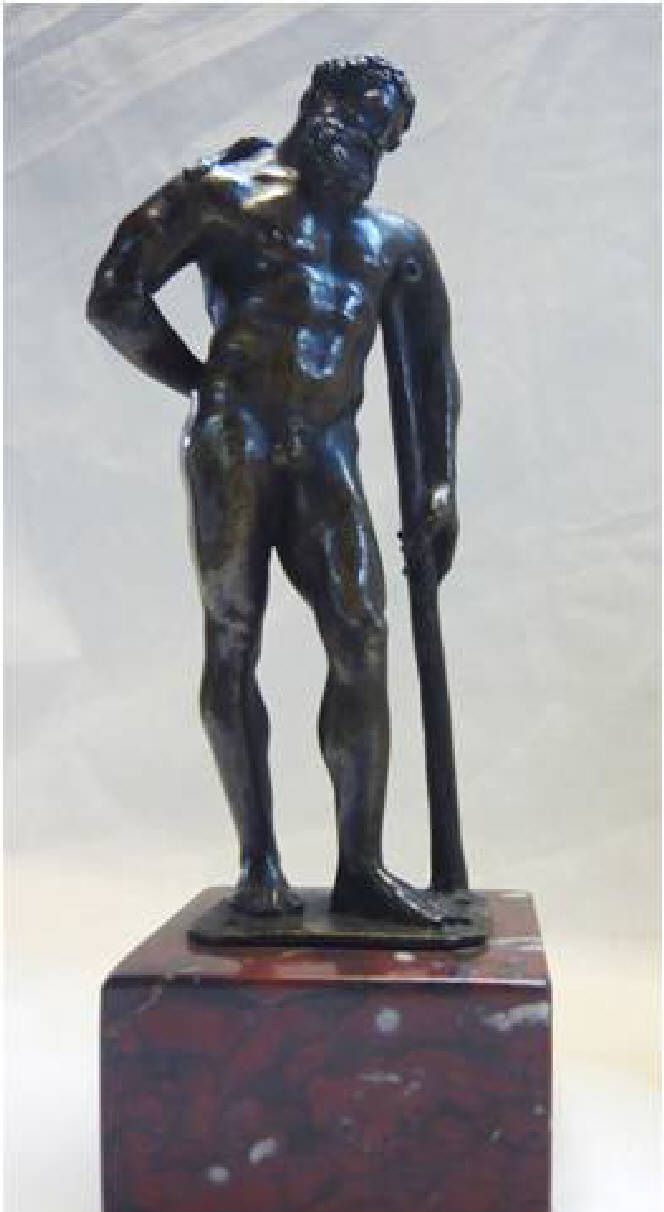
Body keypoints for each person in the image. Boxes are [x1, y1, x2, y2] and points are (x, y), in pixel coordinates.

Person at [87, 56, 461, 925]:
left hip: (328, 453)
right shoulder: (220, 194)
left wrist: (440, 482)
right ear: (319, 102)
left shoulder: (393, 242)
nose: (371, 145)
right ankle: (258, 861)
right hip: (236, 444)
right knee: (233, 635)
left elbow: (431, 369)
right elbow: (115, 295)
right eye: (365, 121)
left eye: (386, 139)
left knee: (362, 635)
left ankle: (361, 868)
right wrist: (201, 384)